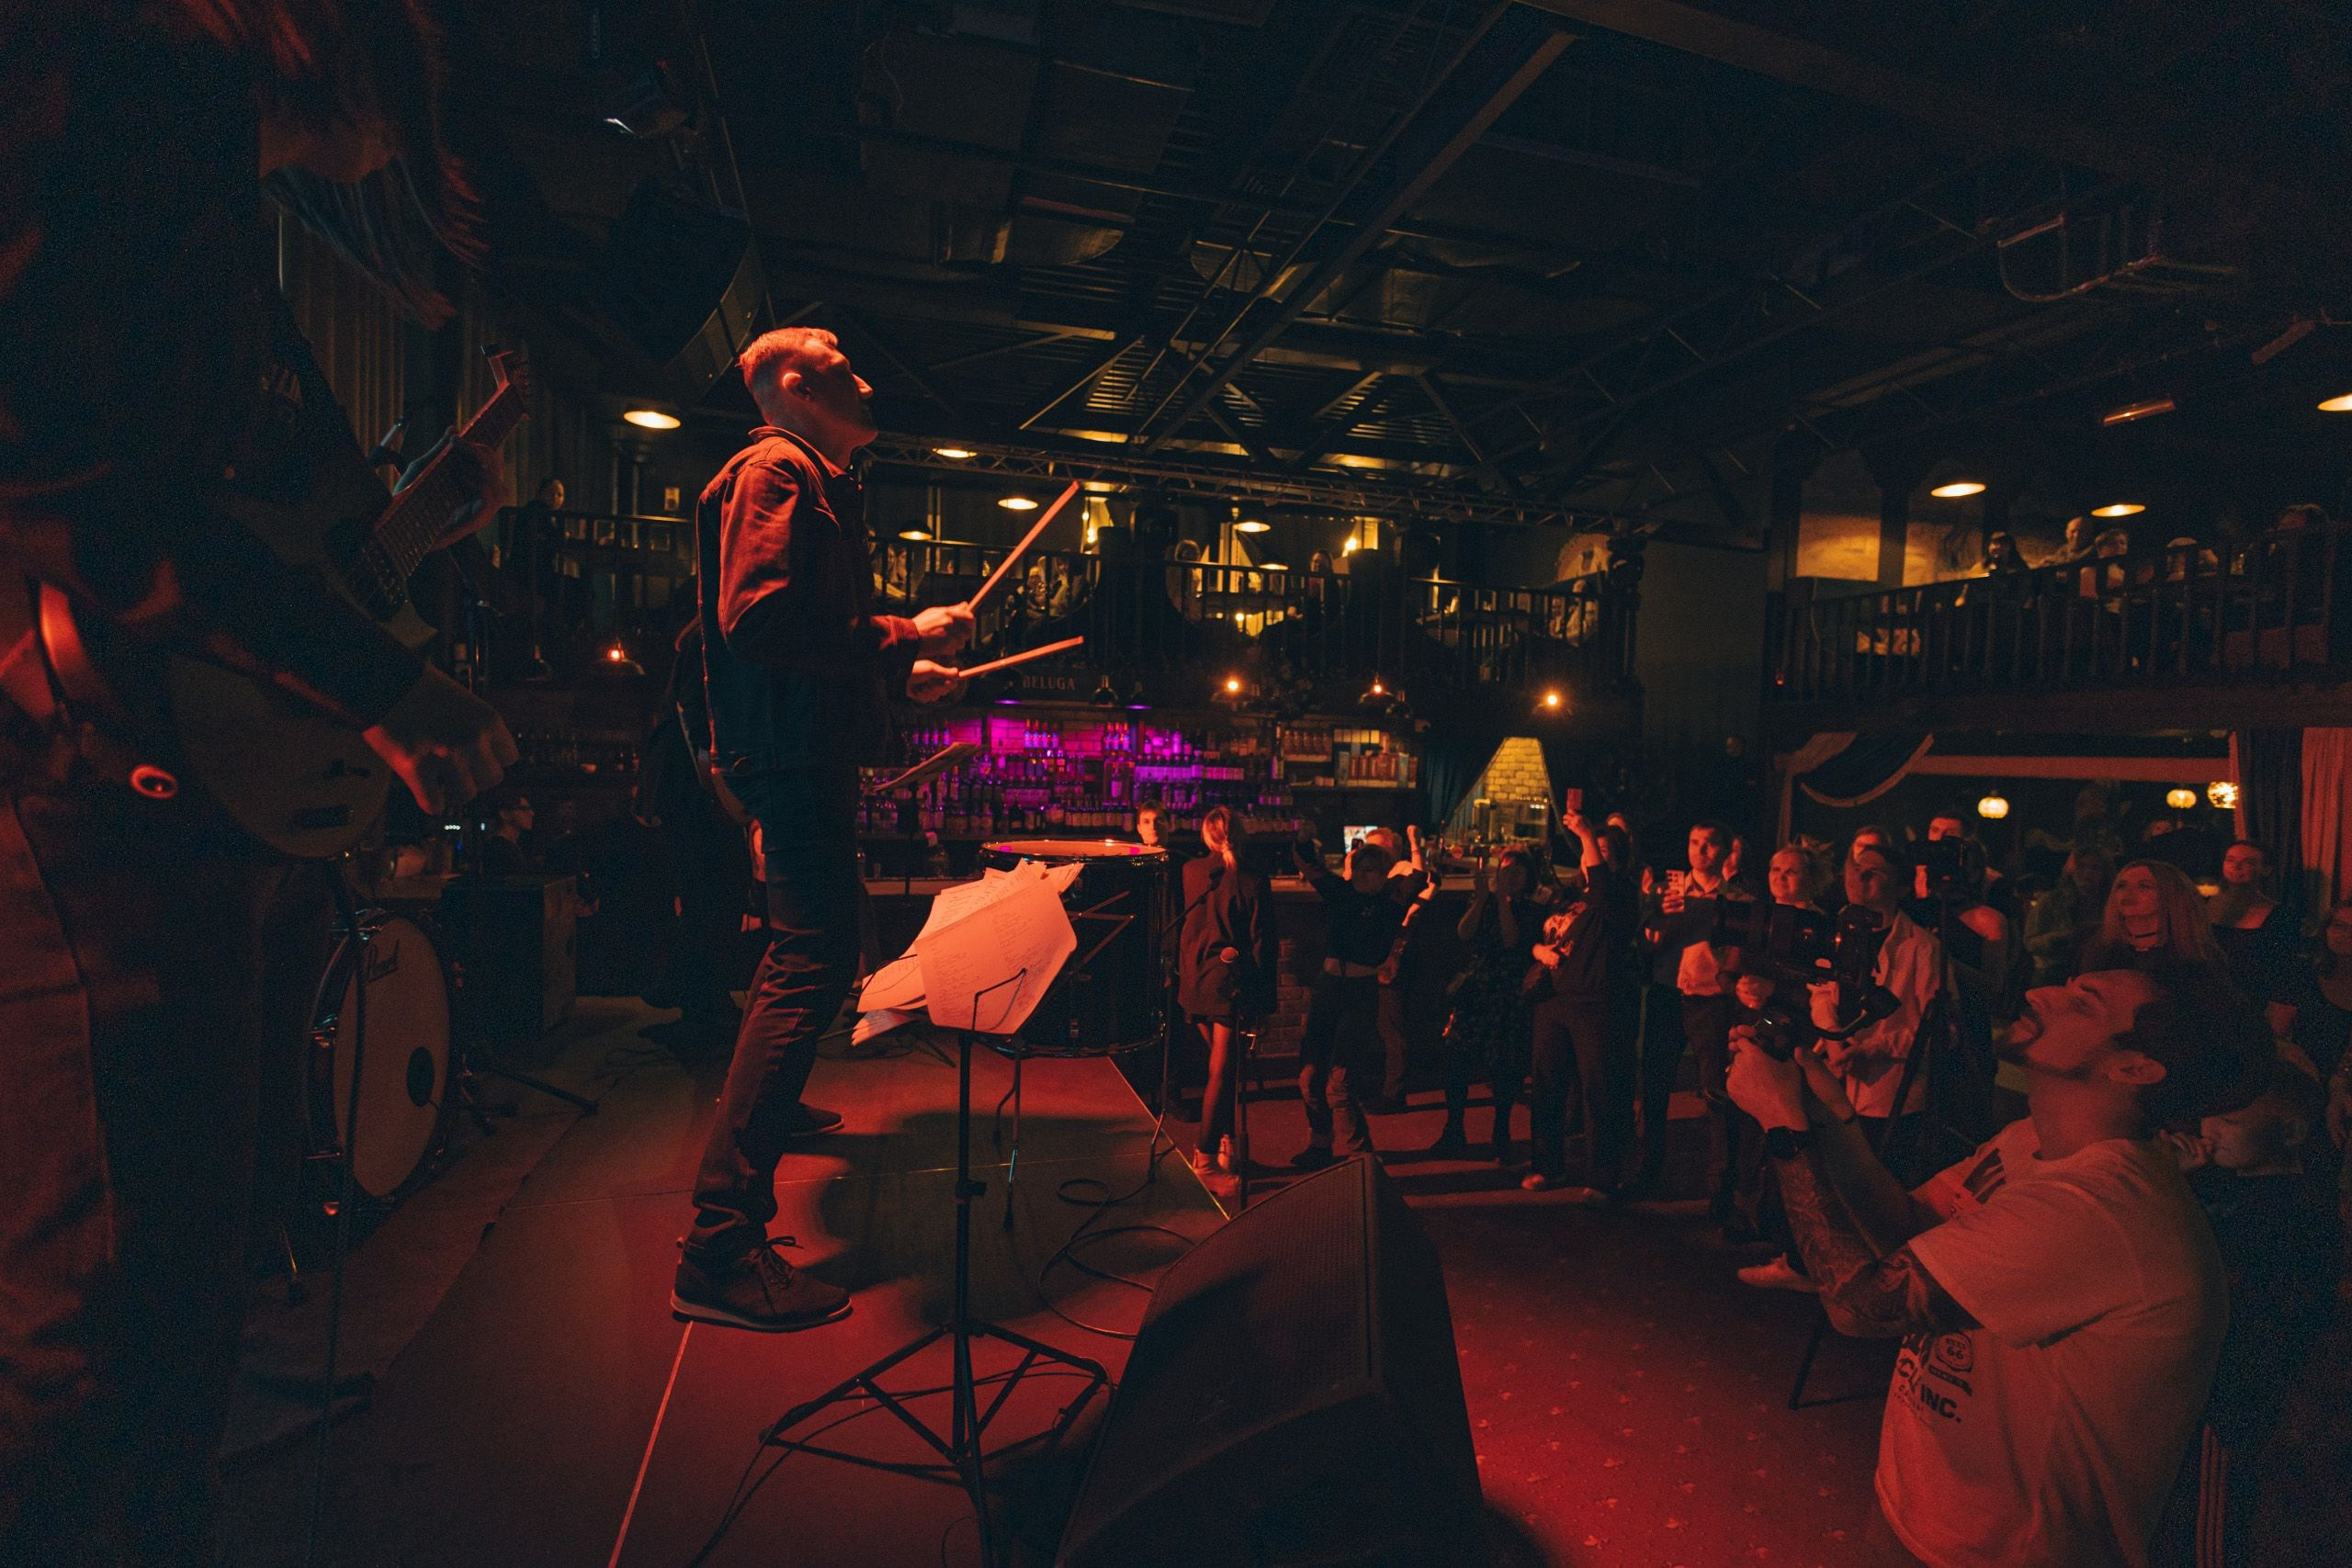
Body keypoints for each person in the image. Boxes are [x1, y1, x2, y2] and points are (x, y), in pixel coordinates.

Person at [0, 7, 520, 1560]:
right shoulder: (141, 102)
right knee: (107, 1323)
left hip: (171, 804)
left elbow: (247, 546)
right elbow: (89, 501)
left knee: (164, 1302)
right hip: (94, 799)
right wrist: (392, 687)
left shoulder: (199, 176)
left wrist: (412, 534)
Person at [1727, 961, 2269, 1568]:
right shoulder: (2029, 1140)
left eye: (2083, 1002)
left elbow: (1862, 1306)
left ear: (2134, 1067)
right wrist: (1827, 1114)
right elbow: (1904, 1228)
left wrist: (1783, 1123)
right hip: (1924, 1507)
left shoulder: (2100, 1210)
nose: (2040, 990)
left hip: (2006, 1547)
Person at [671, 326, 975, 1334]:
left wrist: (894, 672)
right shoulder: (776, 468)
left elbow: (796, 638)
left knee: (801, 964)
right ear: (795, 387)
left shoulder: (800, 475)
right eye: (848, 367)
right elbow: (757, 618)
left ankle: (757, 1136)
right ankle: (720, 1244)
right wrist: (903, 632)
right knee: (813, 964)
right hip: (794, 759)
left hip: (793, 750)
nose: (872, 377)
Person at [2155, 1067, 2335, 1567]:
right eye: (2212, 1111)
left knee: (2208, 1522)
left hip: (2229, 1397)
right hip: (2196, 1385)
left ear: (2289, 1132)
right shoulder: (2227, 1187)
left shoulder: (2289, 1214)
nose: (2209, 1128)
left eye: (2231, 1120)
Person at [1644, 820, 1758, 1226]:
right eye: (1694, 843)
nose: (1700, 851)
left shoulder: (1736, 898)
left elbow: (1740, 951)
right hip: (1666, 992)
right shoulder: (1668, 892)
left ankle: (1719, 1190)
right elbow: (1647, 941)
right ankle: (1648, 1170)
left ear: (1726, 850)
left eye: (1710, 844)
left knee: (1714, 1092)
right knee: (1655, 1085)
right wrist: (1656, 915)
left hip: (1709, 1000)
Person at [1524, 813, 1640, 1192]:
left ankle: (1603, 1178)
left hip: (1596, 1001)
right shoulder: (1569, 895)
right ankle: (1548, 1164)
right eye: (1592, 850)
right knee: (1546, 1085)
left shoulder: (1619, 894)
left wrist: (1589, 836)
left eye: (1604, 852)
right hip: (1554, 998)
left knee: (1598, 1091)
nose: (1594, 857)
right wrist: (1539, 950)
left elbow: (1603, 892)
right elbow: (1544, 931)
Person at [1176, 808, 1278, 1202]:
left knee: (1224, 1067)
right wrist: (1265, 1004)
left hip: (1195, 980)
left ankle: (1226, 1144)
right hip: (1227, 982)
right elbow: (1262, 944)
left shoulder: (1191, 872)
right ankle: (1204, 1162)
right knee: (1223, 1070)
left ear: (1207, 835)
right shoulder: (1253, 879)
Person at [1289, 835, 1403, 1167]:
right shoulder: (1341, 892)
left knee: (1340, 1082)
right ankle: (1321, 1144)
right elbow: (1307, 865)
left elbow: (1376, 949)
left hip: (1359, 992)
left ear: (1383, 875)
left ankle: (1362, 1156)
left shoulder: (1387, 906)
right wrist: (1302, 836)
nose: (1364, 875)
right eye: (1360, 869)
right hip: (1329, 989)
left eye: (1372, 871)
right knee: (1310, 1077)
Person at [1430, 843, 1543, 1162]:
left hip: (1508, 989)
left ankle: (1501, 1135)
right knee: (1457, 1059)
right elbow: (1464, 933)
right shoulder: (1486, 902)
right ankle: (1454, 1129)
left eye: (1518, 871)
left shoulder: (1532, 909)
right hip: (1478, 987)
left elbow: (1511, 940)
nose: (1511, 877)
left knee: (1504, 1066)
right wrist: (1481, 899)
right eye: (1505, 870)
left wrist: (1503, 901)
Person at [1363, 823, 1435, 1113]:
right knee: (1379, 1021)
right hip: (1374, 951)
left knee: (1391, 1023)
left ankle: (1395, 1092)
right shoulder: (1377, 874)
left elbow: (1430, 884)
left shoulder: (1403, 869)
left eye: (1377, 848)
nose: (1371, 854)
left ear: (1393, 850)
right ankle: (1381, 1084)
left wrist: (1409, 915)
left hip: (1395, 952)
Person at [2207, 840, 2300, 1036]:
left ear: (2265, 870)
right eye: (2230, 860)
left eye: (2247, 862)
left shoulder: (2281, 916)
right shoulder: (2203, 905)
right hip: (2205, 997)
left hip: (2249, 1006)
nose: (2236, 866)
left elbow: (2284, 975)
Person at [2077, 859, 2225, 974]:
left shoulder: (2193, 954)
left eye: (2144, 886)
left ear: (2170, 894)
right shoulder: (2098, 947)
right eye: (2122, 886)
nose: (2128, 893)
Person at [2024, 847, 2111, 987]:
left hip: (2097, 973)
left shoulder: (2110, 903)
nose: (2087, 873)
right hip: (2054, 974)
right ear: (2071, 871)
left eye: (2095, 868)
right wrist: (2062, 937)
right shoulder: (2051, 901)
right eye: (2081, 866)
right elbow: (2030, 943)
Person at [479, 786, 535, 876]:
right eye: (523, 809)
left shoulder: (513, 844)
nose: (532, 813)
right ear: (505, 814)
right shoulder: (498, 849)